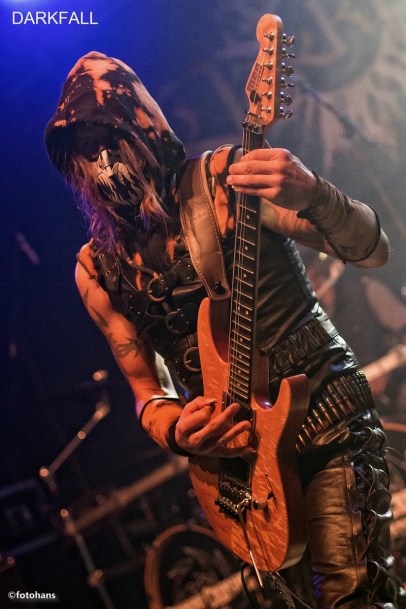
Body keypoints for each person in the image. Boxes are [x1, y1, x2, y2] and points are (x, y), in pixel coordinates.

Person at [45, 51, 401, 608]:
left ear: (146, 129)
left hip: (326, 420)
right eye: (87, 149)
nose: (105, 161)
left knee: (354, 598)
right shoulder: (97, 270)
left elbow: (372, 250)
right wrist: (179, 430)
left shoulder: (226, 182)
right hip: (244, 472)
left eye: (112, 139)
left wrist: (314, 194)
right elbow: (146, 392)